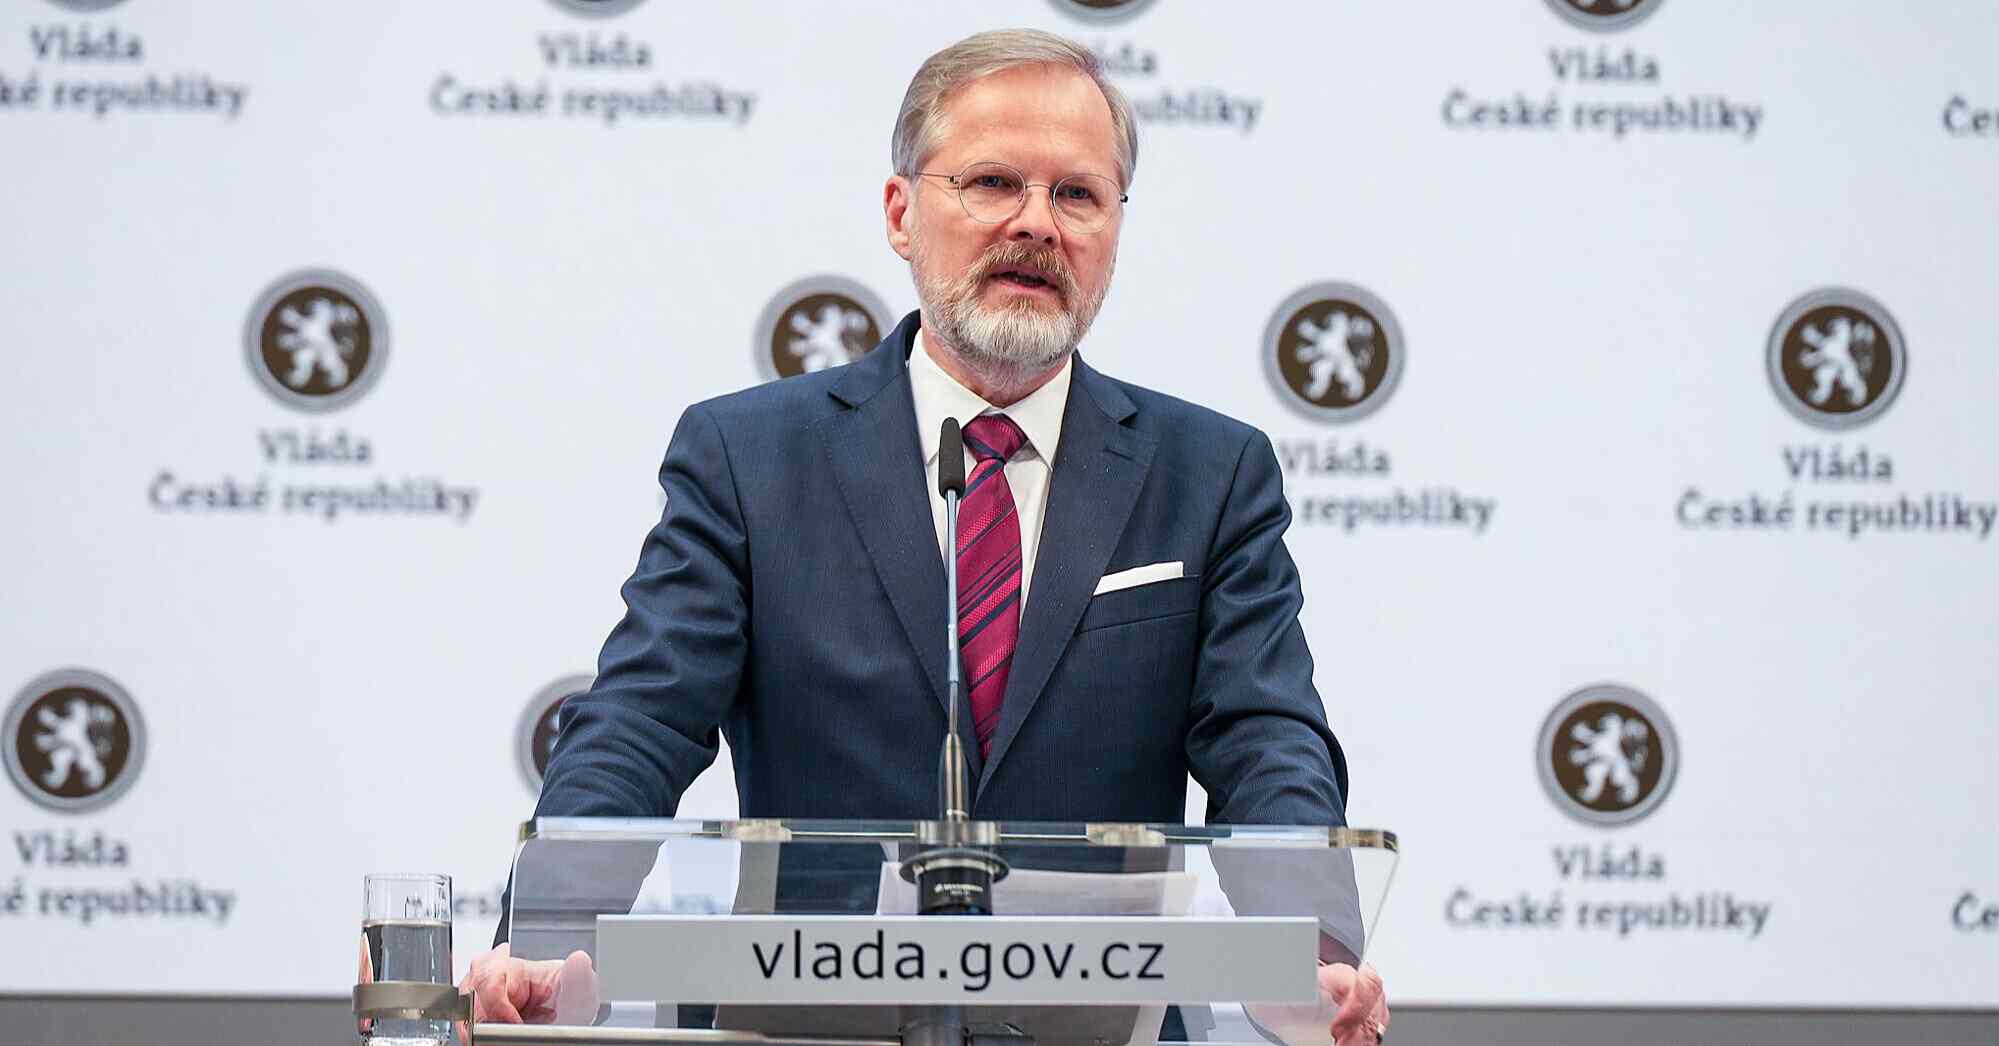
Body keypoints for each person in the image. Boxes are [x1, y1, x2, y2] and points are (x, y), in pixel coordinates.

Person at [465, 28, 1390, 1045]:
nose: (1035, 223)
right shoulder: (750, 457)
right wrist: (550, 933)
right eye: (992, 182)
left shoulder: (1208, 474)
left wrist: (1311, 953)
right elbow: (641, 719)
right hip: (801, 1022)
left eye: (1077, 194)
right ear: (901, 213)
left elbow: (1266, 739)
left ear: (1116, 229)